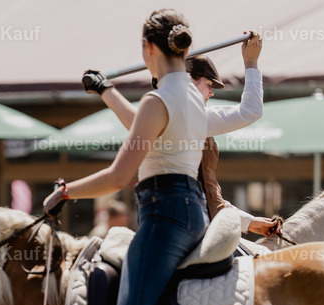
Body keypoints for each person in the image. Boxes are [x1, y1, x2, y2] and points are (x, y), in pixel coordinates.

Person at [43, 9, 214, 305]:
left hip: (164, 213)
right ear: (186, 50)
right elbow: (146, 128)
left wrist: (66, 193)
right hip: (189, 207)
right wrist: (107, 92)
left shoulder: (159, 101)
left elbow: (119, 177)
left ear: (147, 50)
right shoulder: (192, 96)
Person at [83, 34, 278, 231]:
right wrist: (251, 62)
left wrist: (248, 222)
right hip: (181, 226)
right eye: (209, 85)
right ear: (189, 81)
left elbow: (210, 196)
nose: (211, 93)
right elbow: (250, 111)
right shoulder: (190, 116)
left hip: (195, 223)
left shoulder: (186, 114)